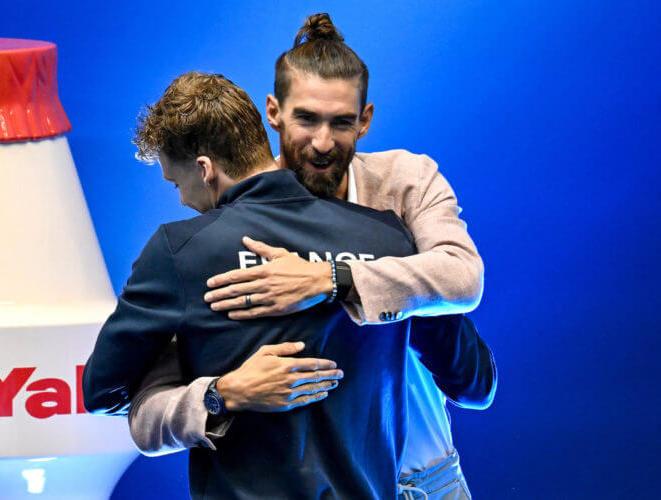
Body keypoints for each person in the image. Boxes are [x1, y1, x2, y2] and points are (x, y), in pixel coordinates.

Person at [127, 13, 494, 500]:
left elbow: (464, 279)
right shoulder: (226, 229)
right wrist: (222, 394)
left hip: (428, 478)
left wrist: (329, 278)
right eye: (306, 119)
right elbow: (148, 407)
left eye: (341, 122)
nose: (322, 143)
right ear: (274, 112)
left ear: (365, 121)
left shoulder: (404, 185)